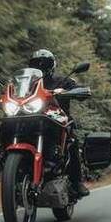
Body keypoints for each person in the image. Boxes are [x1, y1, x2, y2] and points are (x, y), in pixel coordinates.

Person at [28, 49, 90, 197]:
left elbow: (75, 88)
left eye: (45, 63)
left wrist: (78, 91)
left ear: (52, 65)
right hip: (32, 120)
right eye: (37, 64)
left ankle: (76, 182)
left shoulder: (63, 81)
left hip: (58, 121)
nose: (41, 66)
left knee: (72, 142)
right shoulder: (28, 84)